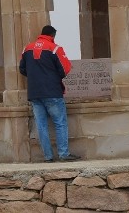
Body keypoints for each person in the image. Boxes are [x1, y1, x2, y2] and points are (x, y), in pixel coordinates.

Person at [19, 25, 80, 162]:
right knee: (60, 122)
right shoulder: (55, 48)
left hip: (34, 93)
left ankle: (48, 156)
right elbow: (65, 68)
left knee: (41, 125)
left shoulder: (27, 48)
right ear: (52, 35)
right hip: (52, 91)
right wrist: (53, 77)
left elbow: (22, 69)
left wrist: (36, 76)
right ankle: (63, 154)